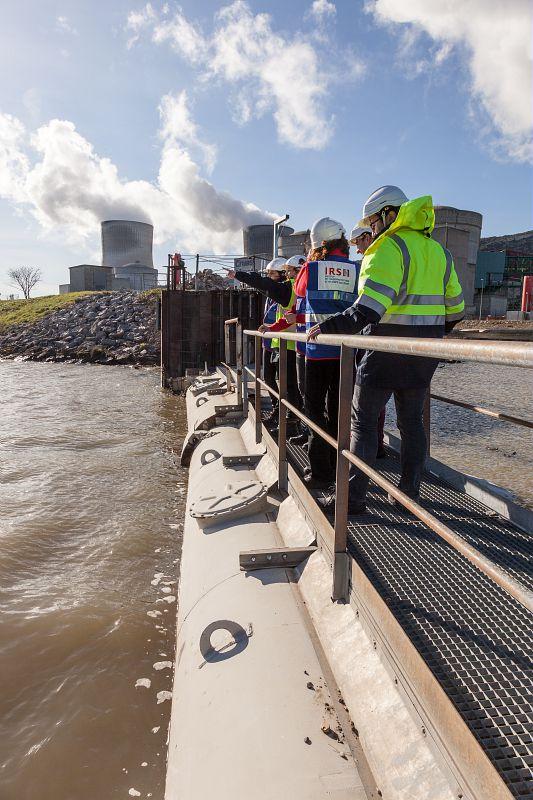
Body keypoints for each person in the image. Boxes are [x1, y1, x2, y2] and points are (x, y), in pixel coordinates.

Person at [308, 187, 464, 513]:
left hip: (384, 351)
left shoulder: (387, 248)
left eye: (372, 220)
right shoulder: (440, 252)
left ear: (387, 215)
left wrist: (327, 327)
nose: (371, 228)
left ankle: (351, 500)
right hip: (424, 352)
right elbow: (457, 310)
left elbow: (368, 310)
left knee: (362, 424)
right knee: (411, 424)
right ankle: (408, 495)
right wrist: (431, 334)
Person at [295, 218, 359, 487]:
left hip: (317, 351)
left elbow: (298, 291)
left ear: (319, 243)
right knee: (339, 410)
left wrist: (312, 259)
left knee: (314, 410)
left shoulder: (312, 267)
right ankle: (338, 466)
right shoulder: (357, 268)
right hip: (346, 353)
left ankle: (320, 472)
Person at [228, 258, 288, 421]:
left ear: (283, 274)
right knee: (268, 378)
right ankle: (277, 407)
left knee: (285, 382)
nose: (269, 277)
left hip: (283, 342)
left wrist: (238, 275)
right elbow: (260, 284)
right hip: (270, 342)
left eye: (272, 273)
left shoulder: (285, 291)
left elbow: (261, 283)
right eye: (267, 273)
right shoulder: (271, 294)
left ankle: (287, 414)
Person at [349, 225, 387, 459]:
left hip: (375, 338)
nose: (359, 250)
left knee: (365, 410)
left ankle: (353, 491)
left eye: (359, 244)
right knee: (410, 421)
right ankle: (378, 446)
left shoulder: (382, 254)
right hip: (377, 337)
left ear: (367, 237)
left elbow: (365, 306)